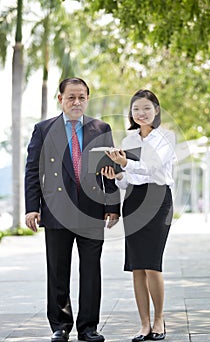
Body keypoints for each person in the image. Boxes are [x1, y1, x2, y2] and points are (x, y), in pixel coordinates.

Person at [25, 77, 120, 342]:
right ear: (61, 99)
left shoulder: (101, 128)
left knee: (91, 271)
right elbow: (33, 170)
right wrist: (32, 207)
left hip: (91, 210)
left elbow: (109, 171)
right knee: (58, 271)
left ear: (87, 99)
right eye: (71, 97)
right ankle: (60, 326)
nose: (76, 102)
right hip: (56, 211)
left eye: (81, 97)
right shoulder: (43, 129)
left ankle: (88, 328)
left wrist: (112, 205)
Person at [102, 89, 175, 341]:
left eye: (146, 108)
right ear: (131, 114)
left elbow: (153, 170)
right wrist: (118, 175)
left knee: (153, 265)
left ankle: (159, 321)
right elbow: (130, 180)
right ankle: (144, 324)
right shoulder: (129, 140)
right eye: (136, 109)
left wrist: (125, 164)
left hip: (158, 201)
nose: (141, 113)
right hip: (133, 201)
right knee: (137, 268)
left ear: (156, 110)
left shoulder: (166, 138)